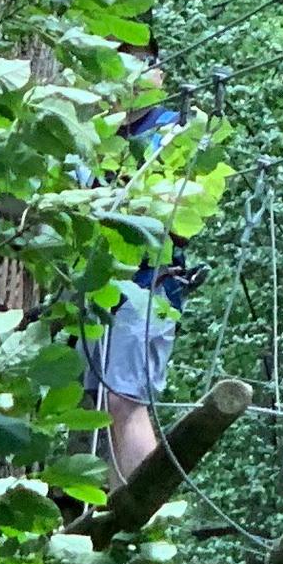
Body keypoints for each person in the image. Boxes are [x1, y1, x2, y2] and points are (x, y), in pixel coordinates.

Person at [92, 62, 196, 481]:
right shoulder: (93, 137)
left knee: (124, 400)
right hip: (91, 286)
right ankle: (100, 512)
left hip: (146, 285)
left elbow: (183, 216)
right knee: (92, 404)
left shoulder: (178, 133)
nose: (132, 77)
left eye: (144, 66)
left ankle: (142, 512)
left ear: (161, 77)